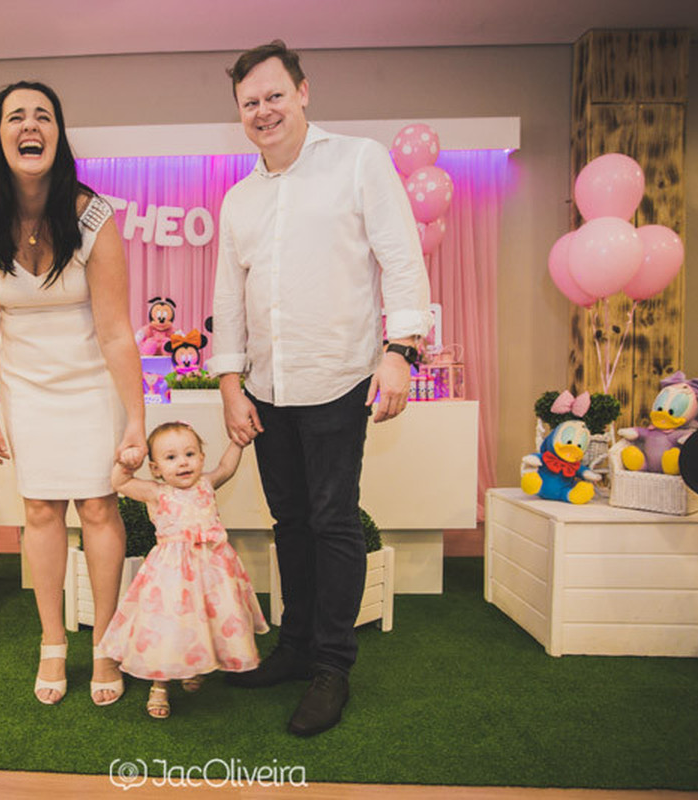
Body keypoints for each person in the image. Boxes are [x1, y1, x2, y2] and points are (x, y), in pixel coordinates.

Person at [206, 41, 431, 736]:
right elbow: (229, 298)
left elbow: (402, 259)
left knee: (333, 521)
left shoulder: (359, 161)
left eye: (275, 95)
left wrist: (401, 350)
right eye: (250, 102)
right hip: (266, 388)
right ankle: (296, 647)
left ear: (303, 92)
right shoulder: (239, 198)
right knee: (290, 522)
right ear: (240, 112)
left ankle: (333, 665)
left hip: (338, 378)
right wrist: (230, 383)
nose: (264, 111)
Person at [0, 80, 146, 707]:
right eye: (16, 116)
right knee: (39, 511)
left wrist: (136, 418)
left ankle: (107, 643)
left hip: (92, 382)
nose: (30, 125)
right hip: (27, 387)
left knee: (98, 508)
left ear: (58, 135)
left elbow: (116, 331)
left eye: (43, 116)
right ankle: (52, 640)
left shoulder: (93, 216)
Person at [98, 422, 269, 719]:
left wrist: (238, 443)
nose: (183, 463)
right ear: (155, 468)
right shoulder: (156, 492)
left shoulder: (206, 483)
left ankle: (195, 666)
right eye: (171, 457)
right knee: (169, 628)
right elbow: (119, 483)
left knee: (206, 621)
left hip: (212, 572)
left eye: (190, 454)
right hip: (171, 577)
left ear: (201, 458)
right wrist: (126, 463)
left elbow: (226, 468)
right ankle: (160, 686)